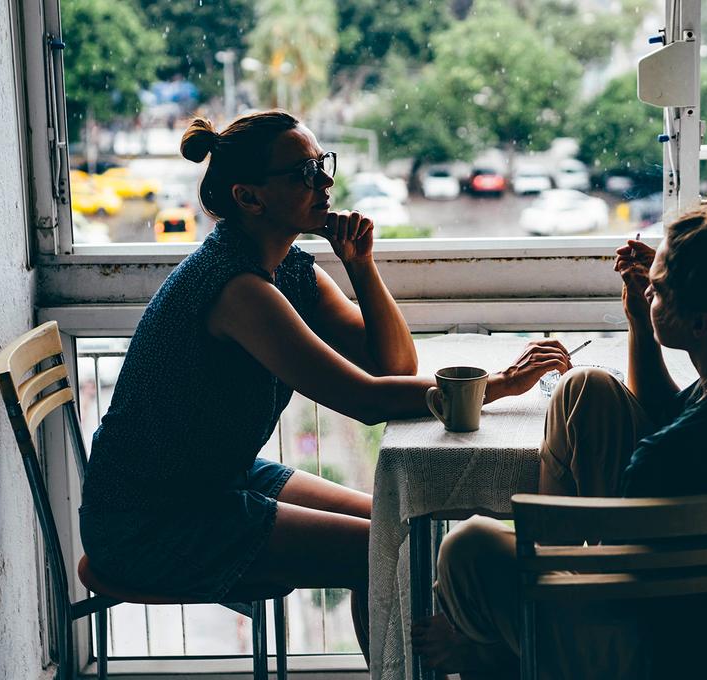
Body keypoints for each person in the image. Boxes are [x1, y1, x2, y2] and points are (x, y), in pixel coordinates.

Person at [78, 110, 571, 659]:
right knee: (382, 549)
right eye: (303, 173)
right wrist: (498, 385)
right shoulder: (237, 289)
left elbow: (395, 368)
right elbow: (364, 400)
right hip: (151, 518)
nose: (325, 182)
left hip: (219, 478)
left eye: (322, 165)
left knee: (390, 522)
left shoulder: (289, 268)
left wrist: (361, 265)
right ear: (249, 197)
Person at [413, 184, 707, 679]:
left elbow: (624, 592)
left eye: (657, 289)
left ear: (700, 323)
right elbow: (665, 410)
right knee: (587, 387)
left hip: (653, 643)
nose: (648, 291)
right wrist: (641, 317)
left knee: (467, 548)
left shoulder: (660, 460)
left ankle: (503, 658)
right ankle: (522, 624)